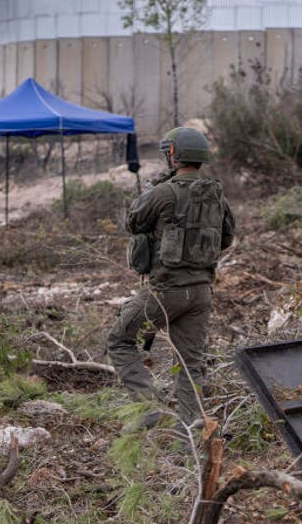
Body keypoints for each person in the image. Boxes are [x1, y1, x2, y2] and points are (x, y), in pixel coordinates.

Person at [106, 127, 235, 429]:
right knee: (191, 365)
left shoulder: (163, 192)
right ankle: (188, 437)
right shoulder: (216, 193)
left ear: (173, 155)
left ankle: (149, 408)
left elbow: (133, 221)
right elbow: (226, 238)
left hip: (165, 292)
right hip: (201, 293)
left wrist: (156, 189)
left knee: (119, 339)